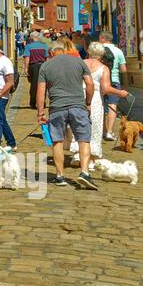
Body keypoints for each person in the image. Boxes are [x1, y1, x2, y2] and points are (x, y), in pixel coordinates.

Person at [36, 42, 98, 190]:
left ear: (51, 53)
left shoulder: (45, 66)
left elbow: (41, 91)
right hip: (78, 106)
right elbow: (90, 84)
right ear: (63, 51)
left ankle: (60, 176)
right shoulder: (79, 62)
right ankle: (84, 172)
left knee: (57, 141)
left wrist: (40, 112)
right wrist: (88, 102)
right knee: (84, 140)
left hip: (57, 107)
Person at [98, 32, 126, 141]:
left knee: (100, 105)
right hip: (114, 81)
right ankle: (109, 132)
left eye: (100, 37)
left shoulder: (97, 50)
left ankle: (102, 131)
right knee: (112, 105)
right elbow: (123, 69)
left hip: (99, 80)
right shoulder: (118, 51)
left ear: (103, 38)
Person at [24, 31, 49, 109]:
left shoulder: (29, 46)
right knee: (43, 85)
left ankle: (33, 102)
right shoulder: (45, 46)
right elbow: (47, 58)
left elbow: (27, 58)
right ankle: (42, 102)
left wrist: (26, 68)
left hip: (33, 66)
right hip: (43, 66)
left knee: (33, 85)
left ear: (31, 38)